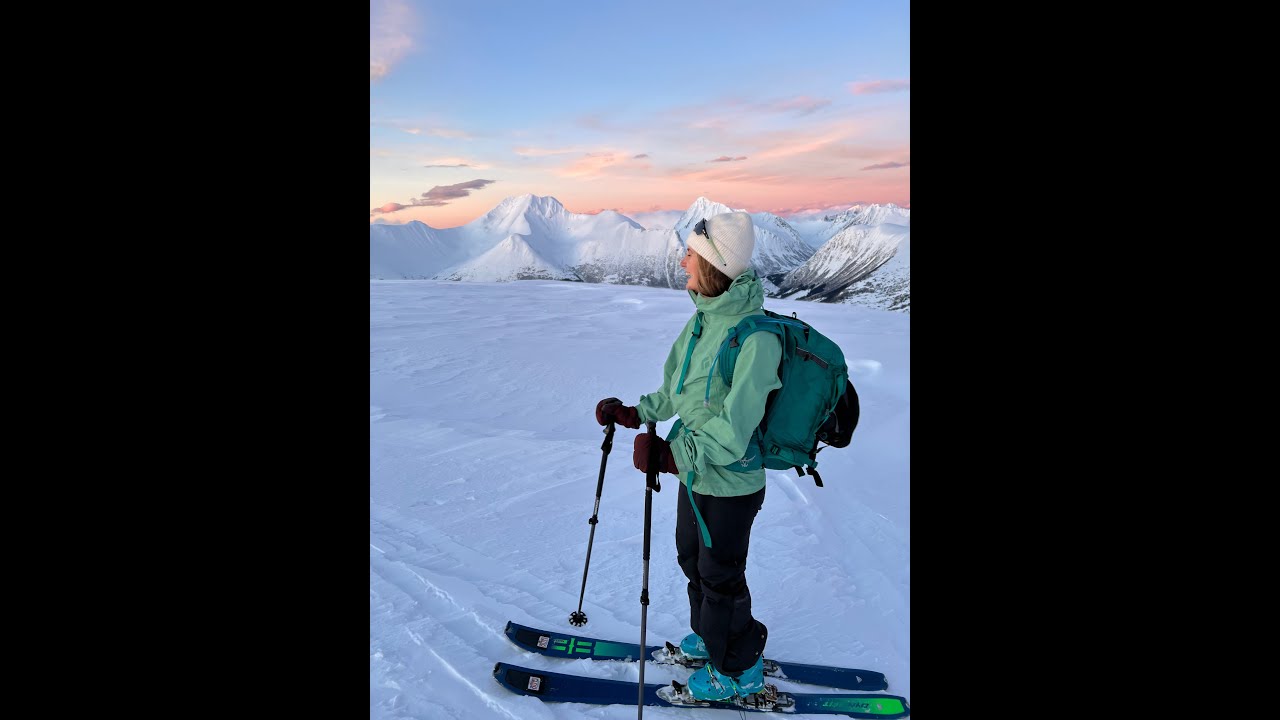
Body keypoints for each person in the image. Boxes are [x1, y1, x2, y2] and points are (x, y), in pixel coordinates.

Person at [594, 211, 781, 701]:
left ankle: (740, 668)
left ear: (714, 266)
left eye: (691, 255)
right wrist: (638, 413)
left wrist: (670, 456)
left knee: (721, 577)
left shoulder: (756, 338)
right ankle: (710, 638)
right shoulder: (704, 318)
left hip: (731, 481)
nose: (682, 263)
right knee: (691, 559)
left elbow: (734, 432)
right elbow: (679, 389)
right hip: (696, 474)